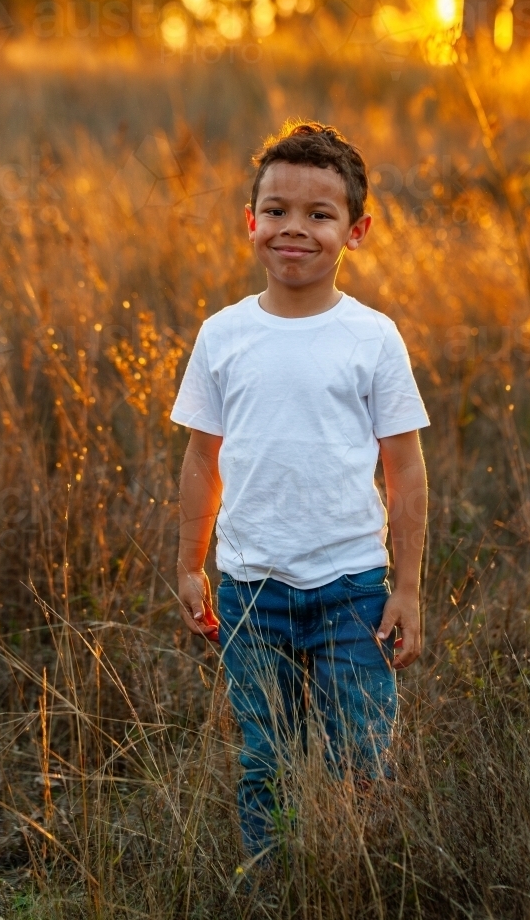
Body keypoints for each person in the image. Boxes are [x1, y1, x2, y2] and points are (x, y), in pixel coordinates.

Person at [170, 120, 429, 856]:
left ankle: (352, 880)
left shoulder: (372, 337)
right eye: (277, 210)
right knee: (265, 762)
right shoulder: (223, 335)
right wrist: (192, 564)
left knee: (362, 763)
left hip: (354, 588)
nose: (295, 229)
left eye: (319, 214)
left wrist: (404, 588)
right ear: (249, 222)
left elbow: (404, 471)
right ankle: (269, 882)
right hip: (253, 589)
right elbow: (200, 459)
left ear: (356, 230)